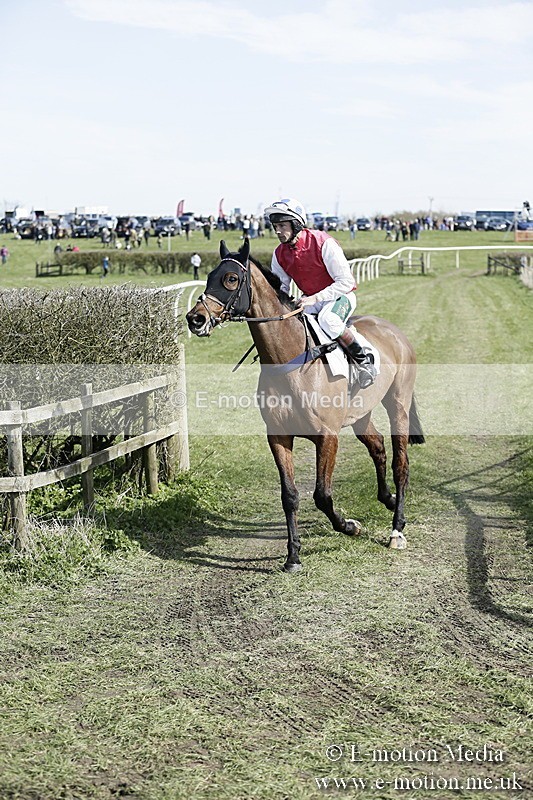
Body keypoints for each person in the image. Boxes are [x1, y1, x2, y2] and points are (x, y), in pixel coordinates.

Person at [264, 197, 377, 388]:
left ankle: (363, 361)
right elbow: (281, 289)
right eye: (275, 226)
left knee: (328, 320)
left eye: (282, 225)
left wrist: (315, 297)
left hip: (341, 296)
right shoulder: (279, 253)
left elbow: (346, 282)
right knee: (294, 325)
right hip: (311, 300)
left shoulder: (323, 242)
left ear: (296, 224)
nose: (277, 231)